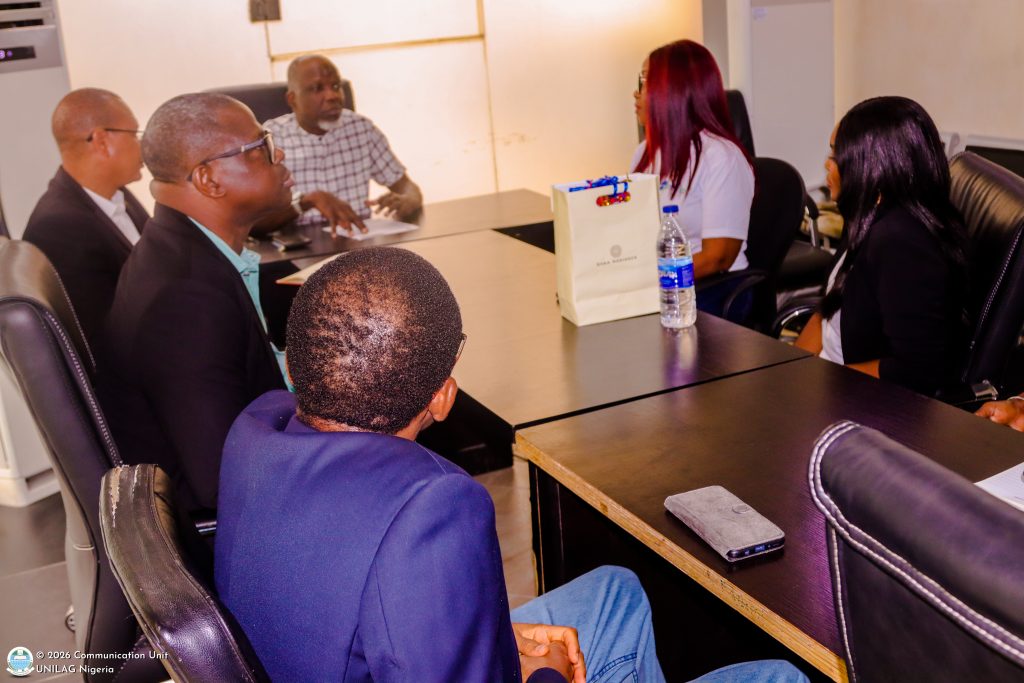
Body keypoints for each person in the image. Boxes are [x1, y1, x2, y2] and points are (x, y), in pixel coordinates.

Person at [214, 246, 810, 683]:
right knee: (780, 676)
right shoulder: (429, 508)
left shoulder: (256, 428)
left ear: (296, 366)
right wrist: (546, 673)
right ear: (443, 398)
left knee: (616, 591)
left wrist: (494, 640)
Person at [97, 93, 289, 513]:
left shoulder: (180, 250)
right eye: (263, 146)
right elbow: (226, 481)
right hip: (235, 524)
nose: (280, 155)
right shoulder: (186, 301)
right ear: (209, 180)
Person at [795, 96, 968, 395]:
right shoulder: (867, 213)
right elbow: (828, 308)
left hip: (860, 401)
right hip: (827, 383)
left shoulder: (902, 244)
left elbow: (917, 371)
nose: (827, 163)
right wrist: (789, 371)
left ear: (873, 165)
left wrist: (821, 384)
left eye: (837, 154)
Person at [632, 39, 755, 317]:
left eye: (645, 81)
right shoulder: (645, 153)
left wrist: (648, 281)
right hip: (665, 285)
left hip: (712, 289)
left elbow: (717, 257)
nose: (636, 93)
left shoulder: (720, 156)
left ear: (672, 91)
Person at [23, 88, 149, 345]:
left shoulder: (117, 194)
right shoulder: (59, 229)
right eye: (135, 134)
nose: (143, 146)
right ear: (101, 141)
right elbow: (106, 338)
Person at [263, 54, 422, 235]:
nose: (332, 96)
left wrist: (408, 200)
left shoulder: (361, 128)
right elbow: (255, 220)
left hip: (358, 239)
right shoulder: (272, 138)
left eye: (336, 86)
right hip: (300, 243)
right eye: (317, 88)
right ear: (292, 99)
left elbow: (407, 187)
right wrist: (306, 202)